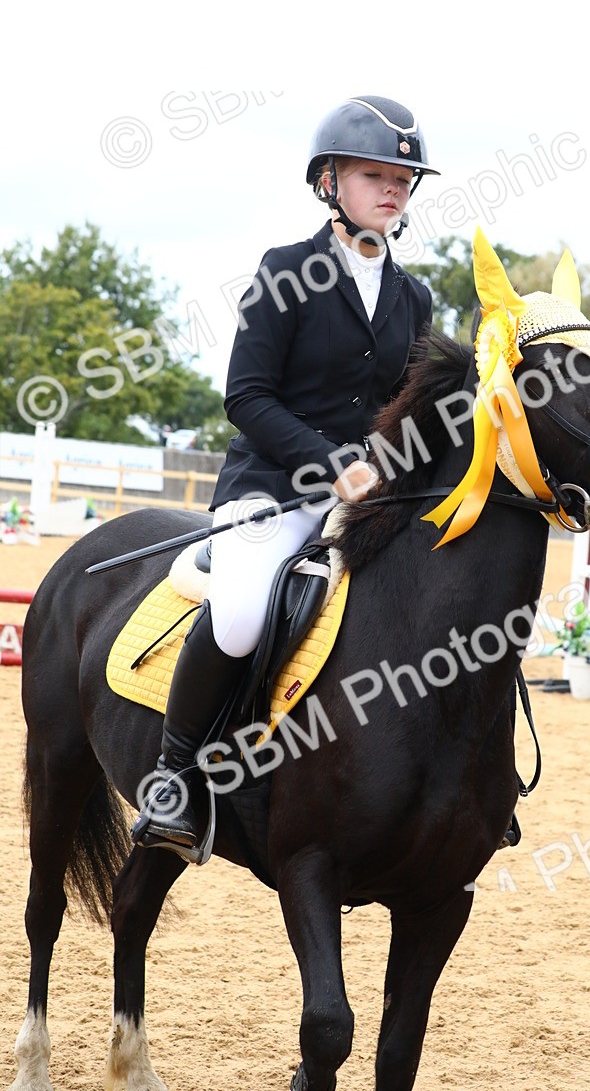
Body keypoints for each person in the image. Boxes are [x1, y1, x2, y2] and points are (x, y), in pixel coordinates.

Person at [131, 96, 438, 859]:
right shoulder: (286, 271)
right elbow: (246, 397)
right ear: (329, 182)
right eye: (374, 175)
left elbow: (413, 406)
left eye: (403, 179)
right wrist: (334, 464)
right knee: (240, 615)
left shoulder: (414, 297)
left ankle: (451, 783)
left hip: (374, 498)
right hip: (273, 489)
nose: (393, 190)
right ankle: (175, 777)